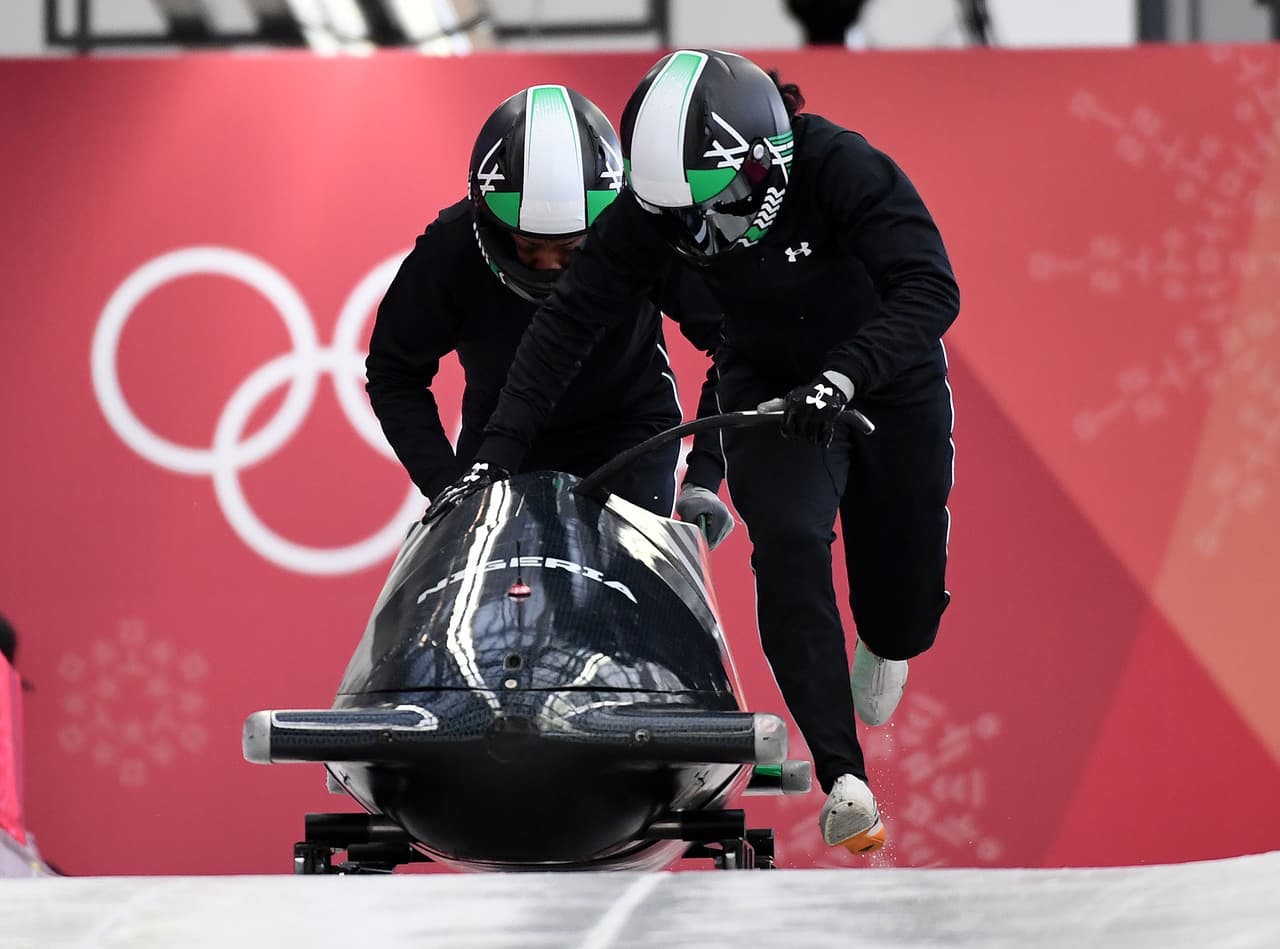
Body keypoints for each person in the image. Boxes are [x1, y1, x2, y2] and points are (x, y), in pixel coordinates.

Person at [429, 51, 959, 854]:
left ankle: (890, 638)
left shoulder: (842, 167)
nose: (706, 236)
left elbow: (929, 285)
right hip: (772, 388)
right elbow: (565, 325)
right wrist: (496, 453)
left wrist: (847, 376)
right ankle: (842, 772)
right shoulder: (657, 217)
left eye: (719, 206)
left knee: (903, 593)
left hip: (886, 380)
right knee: (786, 541)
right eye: (684, 219)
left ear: (765, 163)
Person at [367, 84, 733, 543]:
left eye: (570, 249)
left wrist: (703, 475)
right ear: (490, 223)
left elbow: (735, 340)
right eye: (527, 247)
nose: (549, 265)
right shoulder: (451, 250)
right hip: (501, 439)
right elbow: (393, 372)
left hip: (627, 435)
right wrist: (445, 484)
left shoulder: (641, 234)